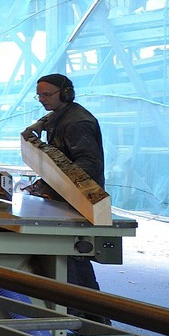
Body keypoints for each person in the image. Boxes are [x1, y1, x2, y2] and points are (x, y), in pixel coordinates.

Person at [24, 72, 105, 294]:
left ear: (66, 94)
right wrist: (39, 124)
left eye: (47, 95)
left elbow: (88, 164)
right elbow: (51, 119)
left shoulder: (78, 123)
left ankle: (86, 307)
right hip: (65, 194)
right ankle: (84, 305)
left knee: (72, 252)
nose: (42, 99)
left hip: (79, 197)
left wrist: (52, 183)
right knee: (68, 253)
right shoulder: (60, 114)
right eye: (39, 95)